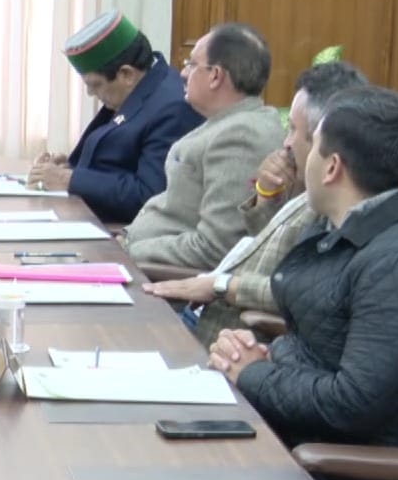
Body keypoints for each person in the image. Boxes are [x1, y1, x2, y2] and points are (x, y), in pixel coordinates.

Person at [209, 86, 398, 451]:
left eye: (311, 143)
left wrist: (254, 375)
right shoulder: (337, 227)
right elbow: (317, 343)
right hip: (288, 426)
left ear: (332, 167)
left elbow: (355, 405)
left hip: (332, 463)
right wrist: (253, 355)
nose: (291, 149)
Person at [142, 62, 369, 345]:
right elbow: (269, 247)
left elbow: (307, 290)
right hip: (205, 320)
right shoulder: (310, 190)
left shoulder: (340, 203)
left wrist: (221, 285)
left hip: (226, 342)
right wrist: (267, 194)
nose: (286, 143)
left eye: (293, 130)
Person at [121, 23, 284, 269]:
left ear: (215, 76)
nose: (183, 73)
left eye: (191, 64)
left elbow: (215, 248)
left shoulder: (242, 136)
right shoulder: (225, 121)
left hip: (158, 277)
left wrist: (128, 252)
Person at [27, 10, 202, 223]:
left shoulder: (172, 108)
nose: (90, 93)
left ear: (126, 74)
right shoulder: (142, 86)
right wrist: (69, 167)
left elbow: (148, 196)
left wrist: (70, 179)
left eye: (95, 84)